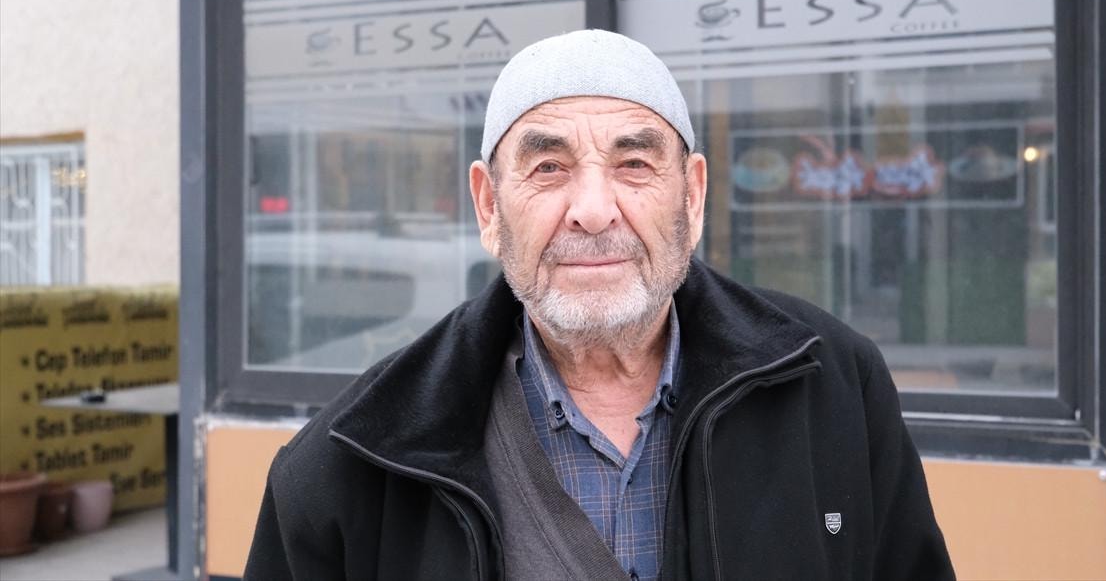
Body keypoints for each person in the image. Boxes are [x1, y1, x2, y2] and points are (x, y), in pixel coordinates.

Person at [245, 29, 955, 581]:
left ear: (692, 196)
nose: (592, 209)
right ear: (489, 207)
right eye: (548, 167)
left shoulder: (834, 390)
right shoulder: (349, 465)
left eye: (634, 164)